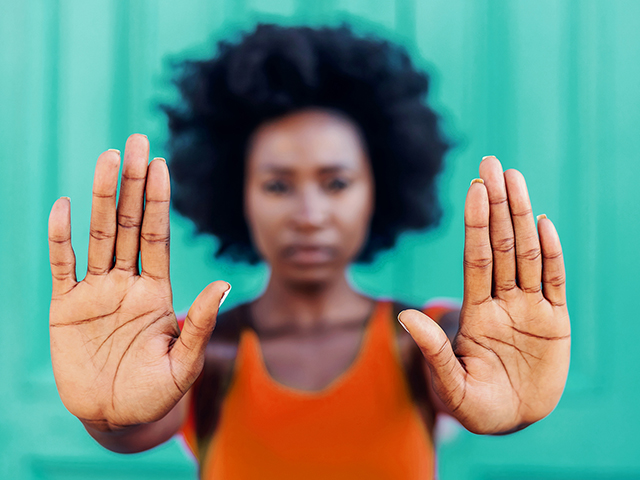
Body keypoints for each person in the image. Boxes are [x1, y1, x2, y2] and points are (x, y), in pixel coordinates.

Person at [47, 24, 570, 479]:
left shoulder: (424, 342)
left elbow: (479, 377)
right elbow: (135, 422)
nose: (310, 213)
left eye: (336, 183)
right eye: (278, 186)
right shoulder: (201, 351)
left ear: (379, 188)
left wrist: (511, 401)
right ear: (237, 193)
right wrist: (108, 417)